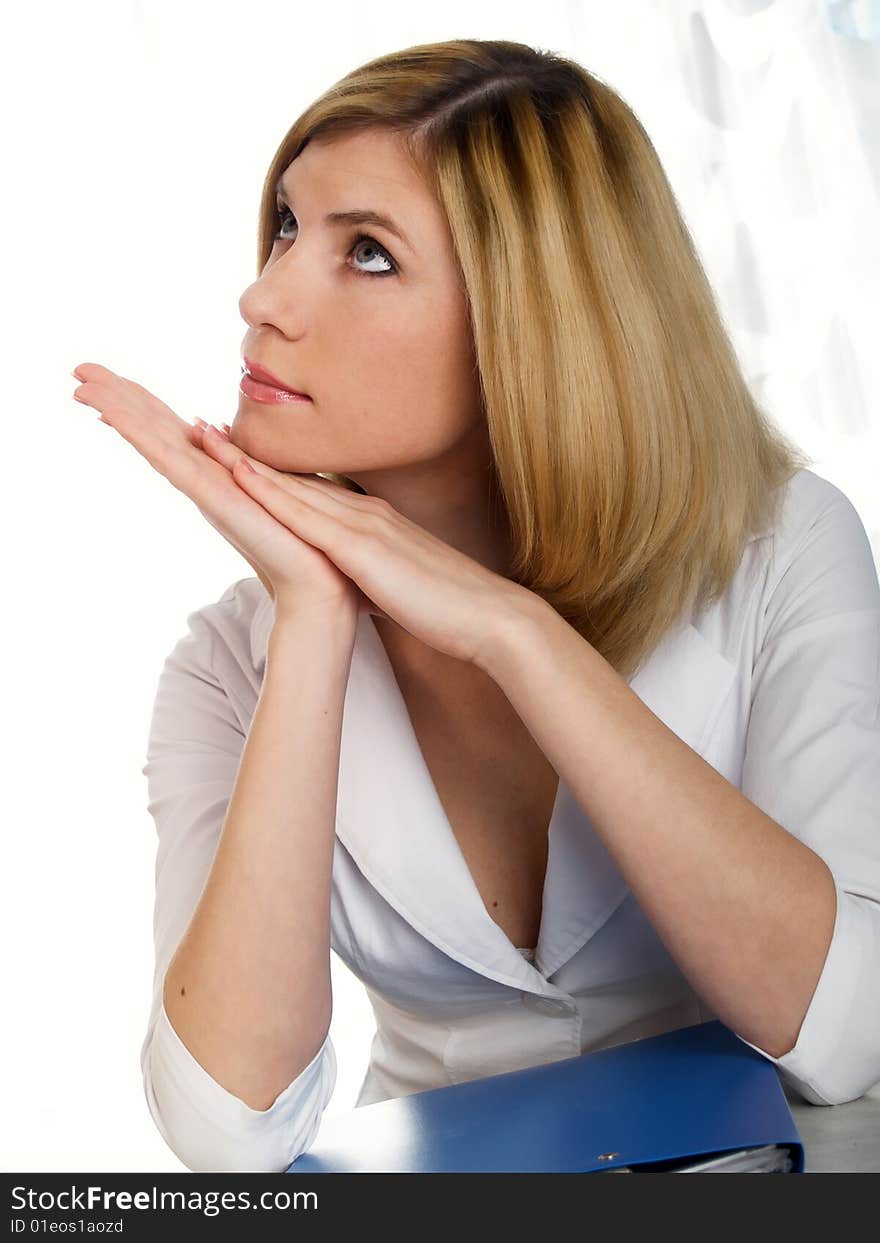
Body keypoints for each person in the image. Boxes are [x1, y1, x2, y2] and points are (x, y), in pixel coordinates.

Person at [71, 39, 880, 1174]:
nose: (262, 296)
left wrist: (517, 637)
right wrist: (313, 622)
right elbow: (226, 1131)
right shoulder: (228, 662)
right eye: (289, 227)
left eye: (366, 251)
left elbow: (842, 1036)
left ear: (534, 319)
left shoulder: (783, 546)